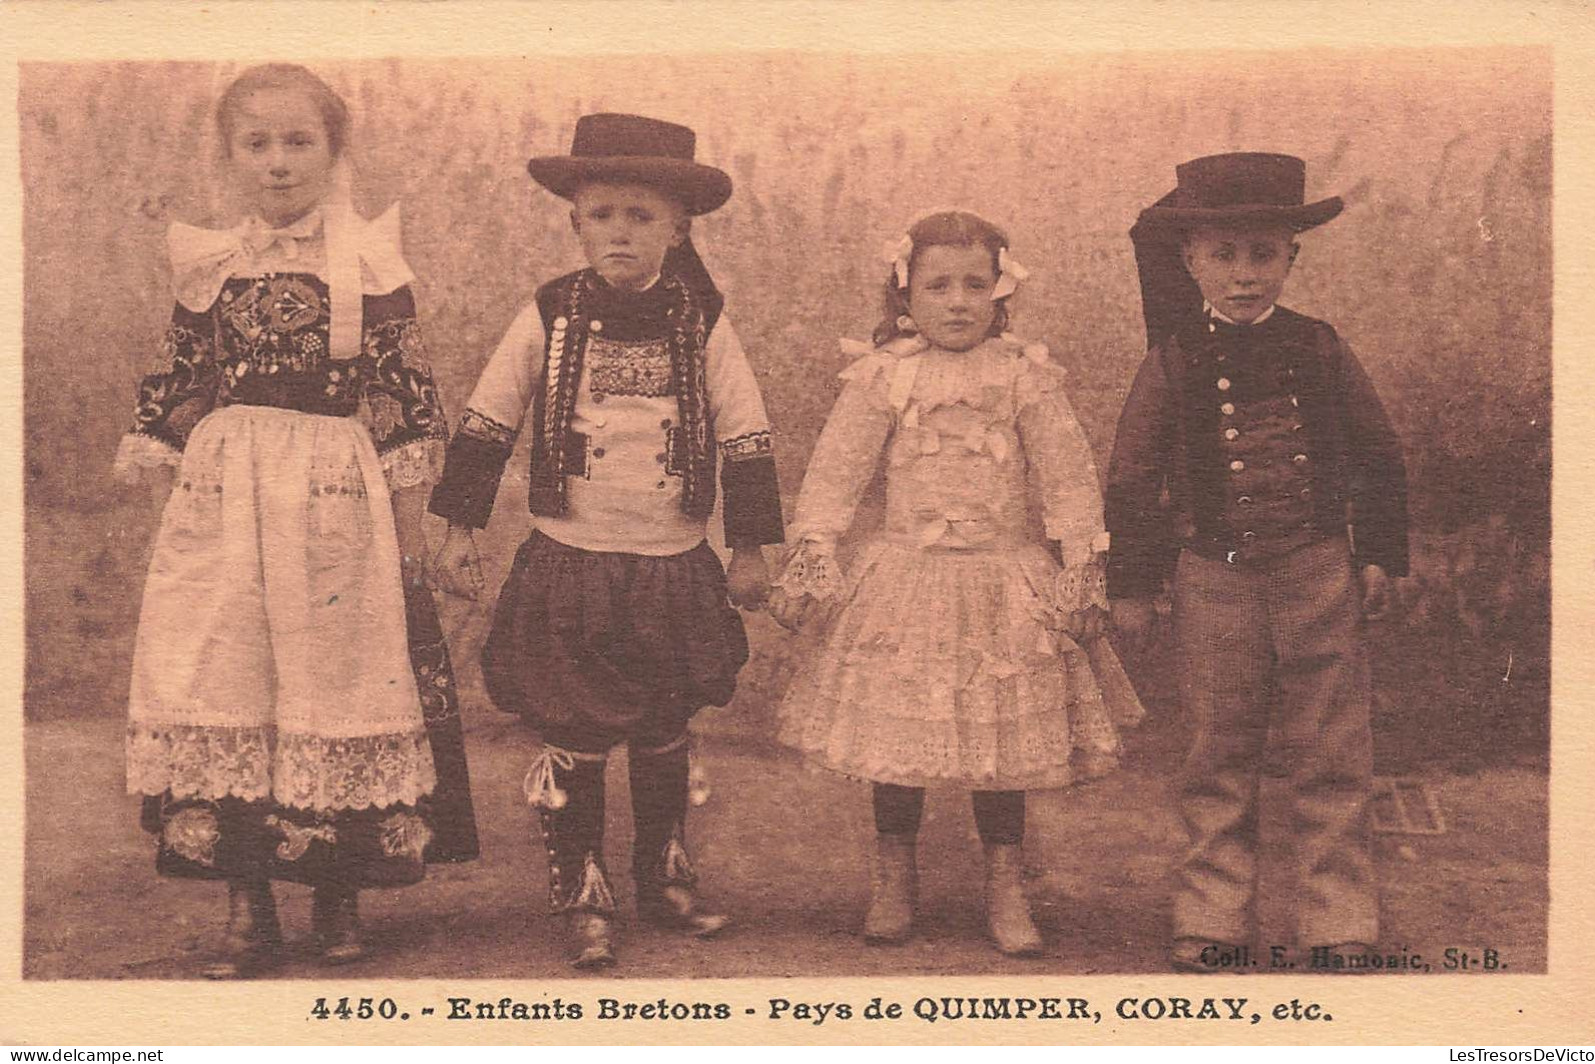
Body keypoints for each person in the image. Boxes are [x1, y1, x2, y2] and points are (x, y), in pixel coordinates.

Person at [114, 63, 478, 978]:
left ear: (333, 150)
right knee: (231, 677)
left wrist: (405, 534)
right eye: (257, 143)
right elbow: (177, 385)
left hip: (332, 499)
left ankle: (337, 897)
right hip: (226, 501)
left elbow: (401, 398)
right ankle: (247, 908)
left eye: (298, 142)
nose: (278, 163)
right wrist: (181, 521)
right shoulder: (210, 263)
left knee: (336, 675)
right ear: (231, 156)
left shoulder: (368, 264)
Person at [428, 113, 785, 970]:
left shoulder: (702, 317)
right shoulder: (551, 312)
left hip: (670, 561)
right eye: (602, 214)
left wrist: (749, 549)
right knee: (578, 730)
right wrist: (458, 529)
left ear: (678, 227)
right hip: (571, 560)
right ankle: (581, 889)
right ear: (574, 221)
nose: (620, 232)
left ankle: (662, 872)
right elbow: (490, 415)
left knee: (664, 725)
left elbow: (744, 429)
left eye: (641, 216)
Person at [771, 211, 1143, 957]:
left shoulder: (1023, 374)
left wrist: (1079, 565)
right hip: (903, 581)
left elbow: (1067, 476)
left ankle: (1005, 888)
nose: (957, 301)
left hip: (1002, 579)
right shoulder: (881, 374)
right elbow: (837, 470)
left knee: (999, 744)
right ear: (904, 293)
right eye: (936, 285)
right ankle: (893, 878)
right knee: (899, 734)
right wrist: (816, 547)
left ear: (1001, 293)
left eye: (976, 284)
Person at [1105, 152, 1409, 972]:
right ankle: (1210, 912)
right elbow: (1133, 473)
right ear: (1191, 261)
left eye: (1261, 255)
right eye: (1223, 256)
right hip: (1213, 576)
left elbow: (1377, 453)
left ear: (1290, 259)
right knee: (1215, 748)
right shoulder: (1172, 357)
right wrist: (1132, 585)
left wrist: (1377, 554)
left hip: (1317, 571)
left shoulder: (1318, 346)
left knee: (1331, 748)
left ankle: (1338, 914)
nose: (1243, 275)